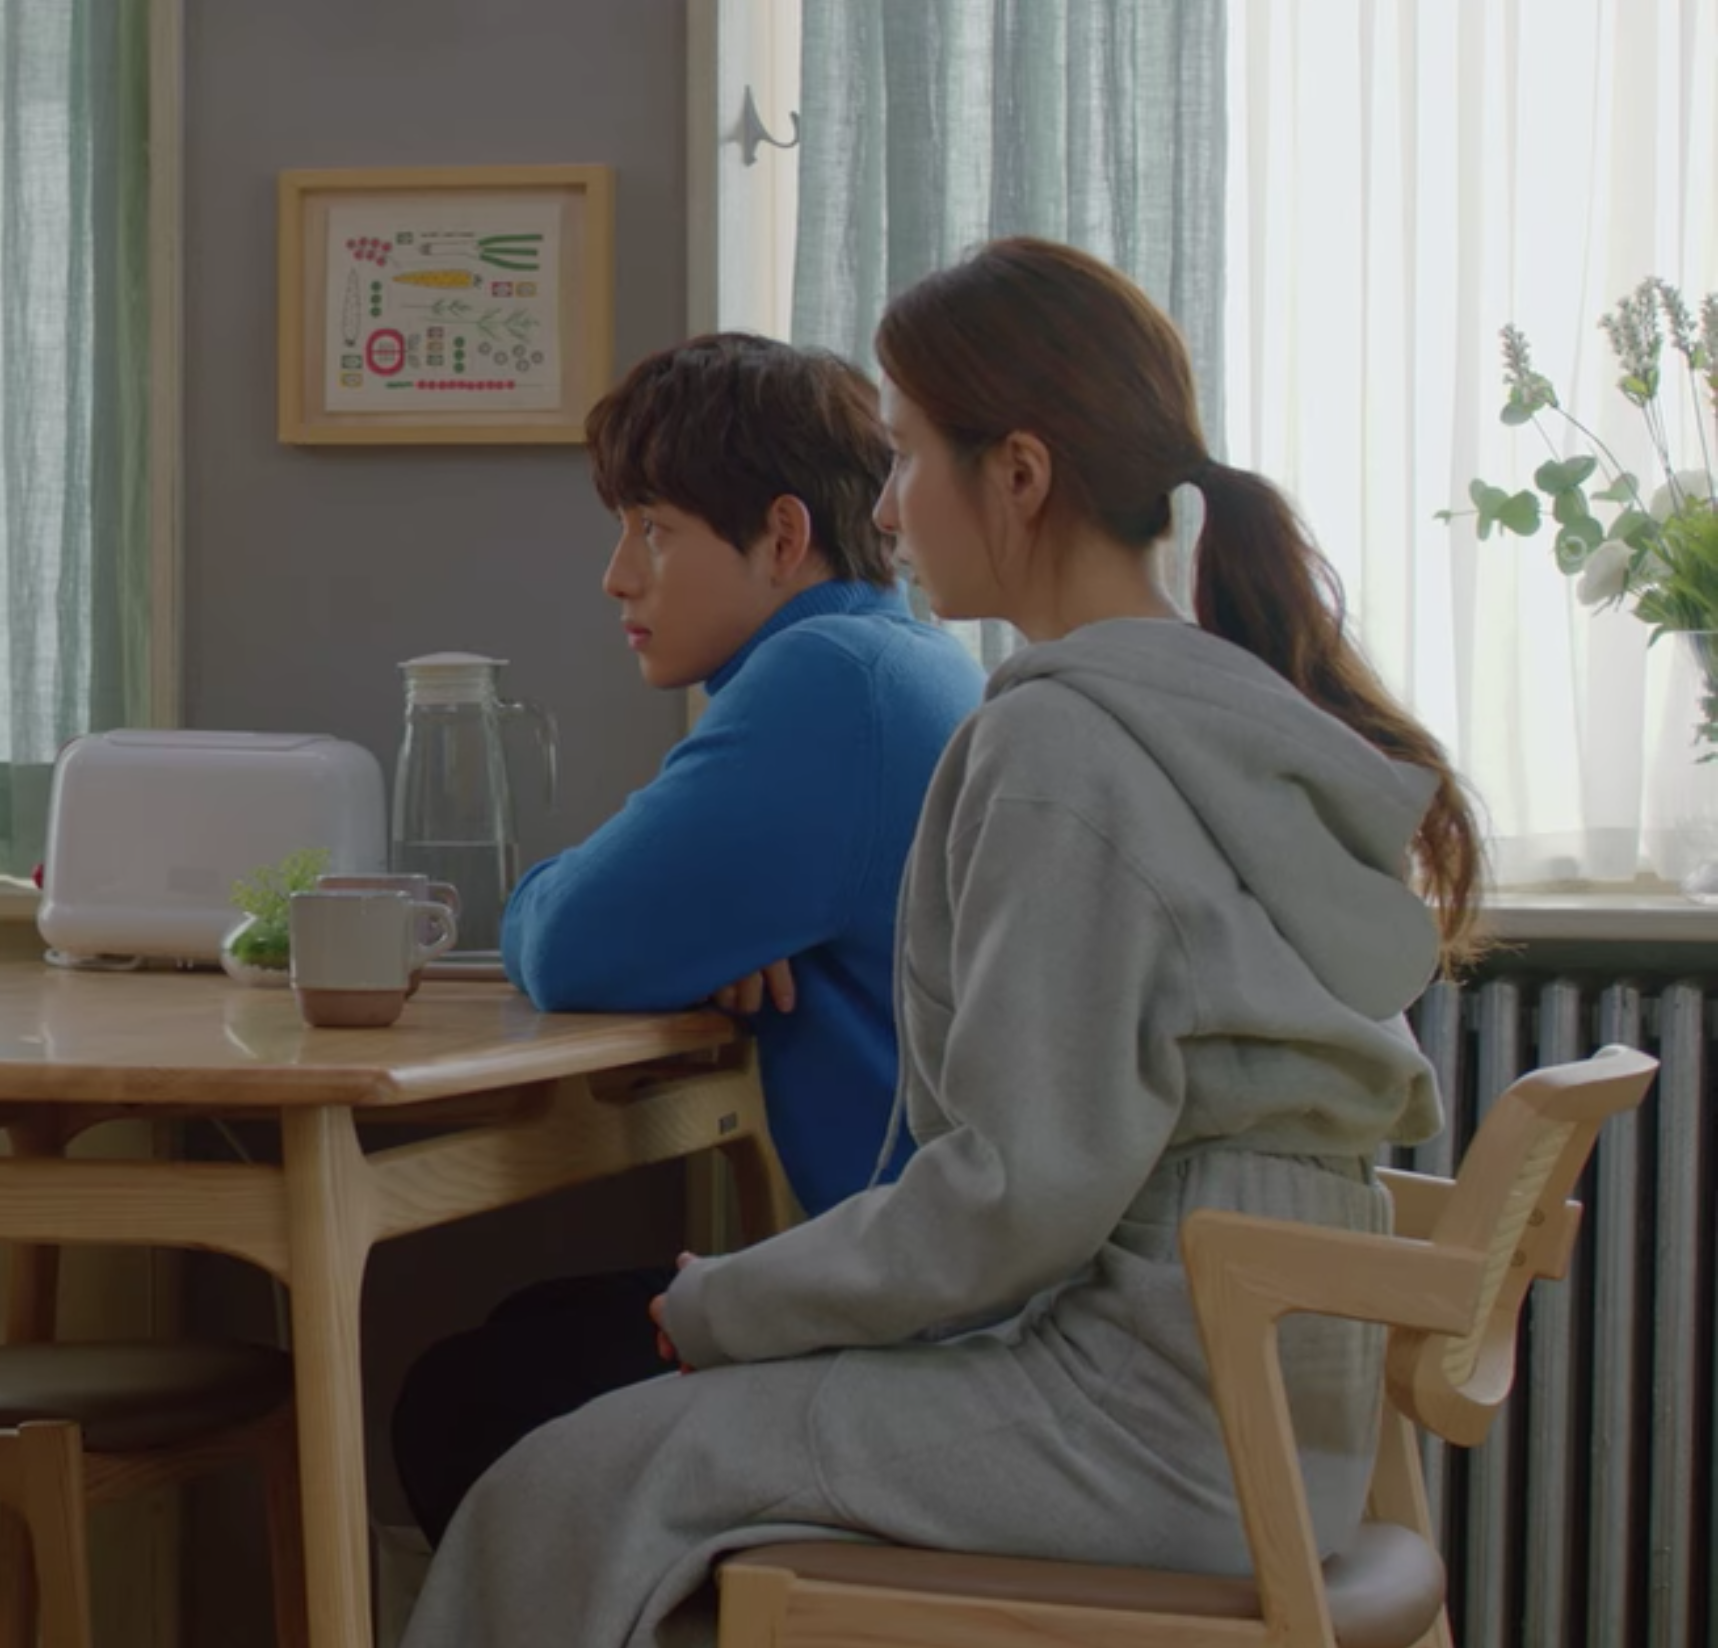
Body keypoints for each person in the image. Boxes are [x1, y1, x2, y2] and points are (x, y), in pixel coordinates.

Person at [400, 237, 1485, 1648]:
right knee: (600, 1445)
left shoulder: (1063, 744)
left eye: (908, 452)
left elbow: (1015, 1194)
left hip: (1134, 1427)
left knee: (552, 1482)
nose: (886, 504)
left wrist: (722, 1304)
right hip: (1264, 1422)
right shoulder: (1213, 712)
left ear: (1017, 474)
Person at [390, 333, 985, 1544]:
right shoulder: (909, 655)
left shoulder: (825, 680)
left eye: (652, 530)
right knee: (528, 1334)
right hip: (931, 1278)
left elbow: (564, 938)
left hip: (921, 1328)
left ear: (781, 536)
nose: (617, 577)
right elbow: (630, 913)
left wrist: (594, 905)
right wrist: (707, 927)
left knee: (468, 1397)